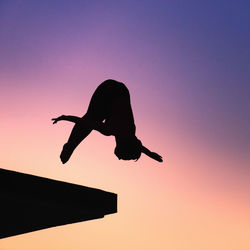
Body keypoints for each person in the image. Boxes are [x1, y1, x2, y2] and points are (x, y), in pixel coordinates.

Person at [52, 79, 163, 163]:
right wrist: (64, 117)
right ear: (120, 146)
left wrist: (151, 154)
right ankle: (70, 146)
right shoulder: (109, 130)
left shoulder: (130, 133)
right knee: (91, 118)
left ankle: (70, 146)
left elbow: (137, 146)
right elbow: (83, 122)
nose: (119, 158)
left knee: (94, 118)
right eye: (120, 156)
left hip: (121, 90)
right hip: (107, 91)